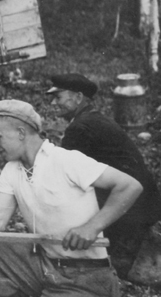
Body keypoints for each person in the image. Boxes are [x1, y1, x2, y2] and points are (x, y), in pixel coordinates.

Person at [0, 99, 143, 297]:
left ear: (20, 133)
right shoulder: (11, 170)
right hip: (44, 267)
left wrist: (92, 227)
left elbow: (129, 186)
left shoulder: (65, 161)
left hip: (85, 276)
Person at [46, 73, 161, 278]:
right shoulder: (94, 118)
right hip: (144, 203)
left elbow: (71, 180)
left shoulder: (79, 128)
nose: (54, 103)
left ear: (78, 97)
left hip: (130, 207)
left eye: (59, 97)